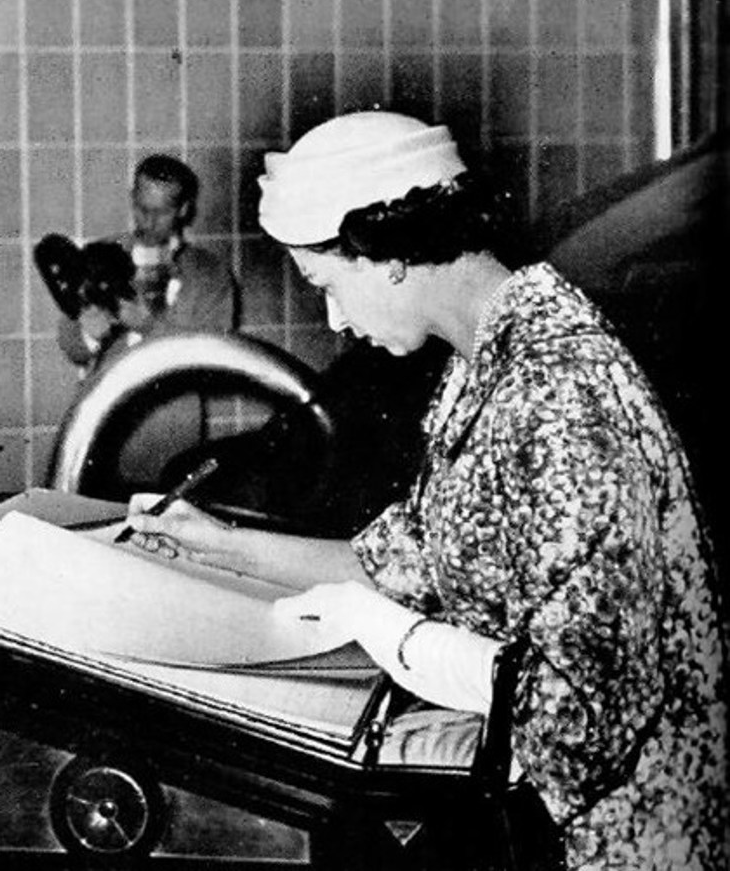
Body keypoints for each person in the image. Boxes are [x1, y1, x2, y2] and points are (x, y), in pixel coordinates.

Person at [123, 112, 727, 870]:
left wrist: (393, 634)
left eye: (327, 285)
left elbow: (581, 716)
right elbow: (402, 559)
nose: (335, 320)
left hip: (627, 845)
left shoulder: (560, 394)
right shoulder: (484, 363)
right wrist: (218, 543)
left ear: (390, 257)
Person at [55, 154, 238, 376]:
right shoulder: (101, 253)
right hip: (109, 406)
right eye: (142, 209)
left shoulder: (209, 274)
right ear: (132, 198)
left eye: (161, 212)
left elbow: (214, 360)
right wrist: (89, 335)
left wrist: (149, 326)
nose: (148, 222)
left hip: (174, 409)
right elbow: (71, 346)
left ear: (183, 209)